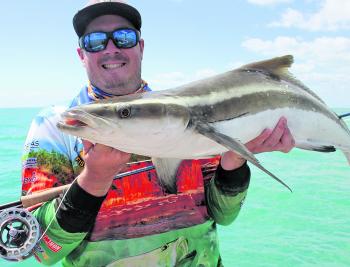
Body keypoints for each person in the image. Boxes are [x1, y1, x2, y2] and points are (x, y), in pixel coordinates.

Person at [21, 0, 295, 266]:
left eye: (124, 37)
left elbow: (224, 215)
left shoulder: (185, 114)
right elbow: (43, 251)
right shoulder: (55, 126)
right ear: (82, 54)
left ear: (140, 47)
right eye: (95, 41)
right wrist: (94, 181)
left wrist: (234, 163)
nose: (111, 48)